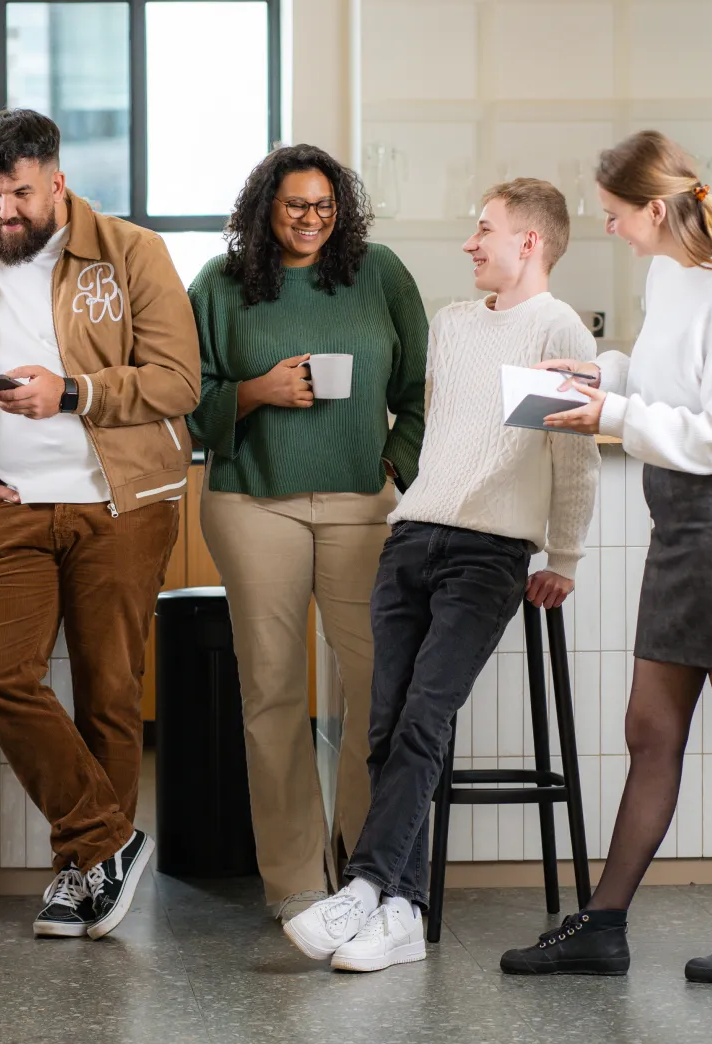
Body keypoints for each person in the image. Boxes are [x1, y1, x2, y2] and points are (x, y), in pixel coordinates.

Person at [500, 131, 712, 984]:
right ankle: (602, 925)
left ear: (656, 208)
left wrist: (605, 415)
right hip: (684, 521)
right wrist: (601, 370)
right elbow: (673, 379)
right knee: (649, 729)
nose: (607, 228)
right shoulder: (669, 274)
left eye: (612, 214)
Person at [285, 178, 600, 973]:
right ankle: (400, 911)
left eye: (485, 230)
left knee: (425, 718)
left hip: (488, 552)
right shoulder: (455, 325)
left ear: (529, 243)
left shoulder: (557, 327)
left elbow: (572, 453)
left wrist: (562, 557)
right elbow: (442, 427)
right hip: (412, 538)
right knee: (385, 725)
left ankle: (362, 889)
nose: (470, 243)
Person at [0, 109, 199, 941]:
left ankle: (79, 879)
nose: (4, 211)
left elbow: (178, 381)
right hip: (13, 503)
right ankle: (106, 844)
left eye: (21, 194)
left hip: (123, 503)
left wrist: (71, 391)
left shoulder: (131, 251)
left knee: (109, 694)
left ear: (58, 183)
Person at [186, 144, 426, 923]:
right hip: (254, 504)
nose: (310, 220)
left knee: (374, 691)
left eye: (324, 207)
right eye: (294, 206)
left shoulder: (378, 273)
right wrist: (252, 392)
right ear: (264, 209)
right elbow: (185, 399)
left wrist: (394, 460)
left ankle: (363, 871)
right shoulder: (218, 286)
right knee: (273, 694)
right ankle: (293, 883)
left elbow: (422, 386)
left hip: (363, 505)